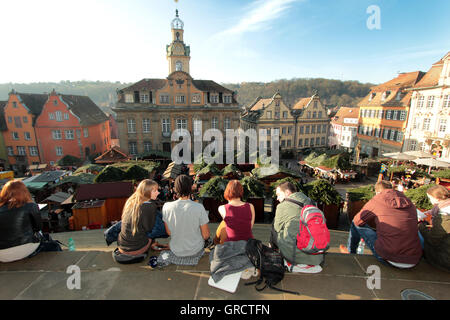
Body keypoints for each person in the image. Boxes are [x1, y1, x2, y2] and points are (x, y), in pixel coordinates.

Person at [340, 180, 422, 268]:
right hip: (413, 259)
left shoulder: (378, 199)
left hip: (389, 258)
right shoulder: (408, 201)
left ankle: (351, 252)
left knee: (355, 223)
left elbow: (357, 221)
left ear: (377, 192)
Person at [0, 180, 60, 263]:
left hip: (2, 254)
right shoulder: (31, 206)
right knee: (54, 245)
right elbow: (38, 227)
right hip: (25, 249)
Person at [270, 181, 323, 273]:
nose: (277, 198)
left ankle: (275, 252)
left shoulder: (282, 206)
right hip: (316, 251)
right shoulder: (309, 201)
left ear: (287, 192)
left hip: (294, 251)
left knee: (274, 225)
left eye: (278, 194)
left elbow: (277, 228)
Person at [157, 174, 210, 267]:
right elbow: (206, 236)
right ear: (190, 188)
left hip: (176, 250)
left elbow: (169, 232)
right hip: (195, 250)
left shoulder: (166, 207)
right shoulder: (199, 207)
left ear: (175, 189)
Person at [112, 179, 169, 257]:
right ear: (147, 192)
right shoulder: (150, 206)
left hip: (122, 247)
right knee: (160, 227)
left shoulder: (131, 202)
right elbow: (149, 228)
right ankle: (152, 244)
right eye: (155, 191)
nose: (158, 193)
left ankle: (152, 243)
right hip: (136, 249)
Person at [418, 185, 450, 271]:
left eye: (430, 198)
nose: (429, 200)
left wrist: (421, 225)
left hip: (445, 258)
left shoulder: (444, 217)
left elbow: (432, 239)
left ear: (437, 199)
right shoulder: (445, 207)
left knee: (418, 236)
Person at [214, 180, 255, 245]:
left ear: (227, 191)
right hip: (248, 244)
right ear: (241, 191)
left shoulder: (222, 208)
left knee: (223, 224)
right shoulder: (250, 206)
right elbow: (249, 227)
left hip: (231, 245)